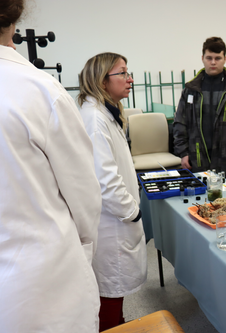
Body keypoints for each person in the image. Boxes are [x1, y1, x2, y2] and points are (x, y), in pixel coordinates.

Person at [0, 1, 102, 331]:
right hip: (42, 289)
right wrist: (83, 246)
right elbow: (86, 197)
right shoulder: (39, 90)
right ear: (13, 21)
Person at [78, 52, 147, 331]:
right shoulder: (95, 118)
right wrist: (131, 212)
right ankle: (112, 326)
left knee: (111, 290)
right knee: (109, 289)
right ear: (102, 80)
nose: (130, 79)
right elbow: (105, 178)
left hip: (113, 220)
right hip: (111, 223)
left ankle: (118, 324)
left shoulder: (106, 112)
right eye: (123, 73)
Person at [173, 37, 226, 178]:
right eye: (209, 58)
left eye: (217, 58)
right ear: (202, 58)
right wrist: (183, 153)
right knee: (199, 199)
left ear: (225, 58)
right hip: (197, 158)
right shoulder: (190, 90)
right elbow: (180, 123)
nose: (213, 62)